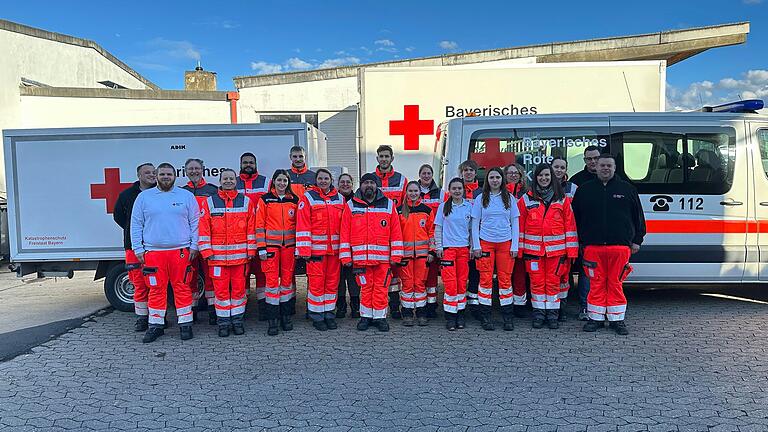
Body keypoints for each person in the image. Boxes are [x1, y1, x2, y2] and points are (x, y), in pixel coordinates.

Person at [572, 154, 646, 335]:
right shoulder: (584, 190)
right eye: (602, 165)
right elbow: (575, 219)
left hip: (620, 247)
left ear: (614, 168)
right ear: (595, 167)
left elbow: (638, 217)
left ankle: (617, 320)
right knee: (596, 284)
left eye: (609, 166)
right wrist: (579, 241)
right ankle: (595, 319)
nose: (605, 168)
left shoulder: (627, 189)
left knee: (615, 283)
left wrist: (637, 240)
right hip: (592, 247)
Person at [130, 163, 199, 343]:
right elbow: (136, 224)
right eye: (162, 174)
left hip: (181, 251)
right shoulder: (144, 197)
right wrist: (138, 248)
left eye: (169, 174)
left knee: (182, 287)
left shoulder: (186, 196)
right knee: (156, 289)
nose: (166, 177)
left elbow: (196, 223)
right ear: (157, 176)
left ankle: (185, 325)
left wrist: (194, 246)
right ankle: (155, 326)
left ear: (175, 176)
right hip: (154, 252)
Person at [339, 173, 404, 332]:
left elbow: (396, 232)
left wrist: (396, 255)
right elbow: (344, 232)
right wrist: (345, 255)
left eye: (372, 183)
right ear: (360, 185)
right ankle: (366, 317)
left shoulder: (388, 204)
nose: (369, 185)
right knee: (366, 288)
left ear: (377, 185)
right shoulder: (351, 205)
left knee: (381, 288)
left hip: (383, 260)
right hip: (361, 259)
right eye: (366, 183)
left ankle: (380, 318)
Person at [518, 163, 578, 329]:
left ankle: (552, 315)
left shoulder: (562, 199)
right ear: (535, 178)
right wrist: (520, 250)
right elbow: (520, 226)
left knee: (552, 283)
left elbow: (570, 226)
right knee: (536, 284)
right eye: (540, 176)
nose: (543, 178)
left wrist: (571, 252)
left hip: (557, 252)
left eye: (547, 175)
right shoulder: (526, 198)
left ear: (552, 177)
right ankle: (538, 315)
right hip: (533, 252)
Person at [198, 169, 257, 337]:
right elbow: (203, 229)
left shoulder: (246, 202)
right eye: (225, 178)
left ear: (236, 181)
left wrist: (251, 250)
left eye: (231, 178)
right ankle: (223, 323)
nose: (229, 181)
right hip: (217, 259)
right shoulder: (210, 202)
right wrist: (206, 251)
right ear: (220, 181)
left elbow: (251, 229)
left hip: (240, 259)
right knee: (221, 293)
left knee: (239, 292)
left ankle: (237, 321)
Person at [471, 167, 520, 331]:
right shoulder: (480, 198)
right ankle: (486, 317)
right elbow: (474, 223)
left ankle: (507, 317)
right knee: (485, 281)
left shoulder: (510, 198)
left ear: (502, 179)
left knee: (505, 281)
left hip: (506, 243)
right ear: (487, 180)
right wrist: (476, 245)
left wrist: (515, 245)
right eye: (491, 177)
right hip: (486, 243)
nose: (494, 180)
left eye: (497, 177)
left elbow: (515, 223)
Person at [296, 169, 345, 331]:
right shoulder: (308, 198)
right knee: (316, 285)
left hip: (335, 251)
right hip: (316, 252)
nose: (323, 181)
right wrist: (304, 251)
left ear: (331, 180)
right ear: (316, 180)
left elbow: (345, 227)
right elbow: (303, 225)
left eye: (326, 178)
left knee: (332, 284)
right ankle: (317, 315)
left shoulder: (340, 198)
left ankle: (329, 314)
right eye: (320, 178)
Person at [255, 170, 299, 336]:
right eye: (279, 180)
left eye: (285, 181)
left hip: (289, 248)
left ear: (288, 183)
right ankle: (272, 320)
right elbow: (259, 225)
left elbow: (299, 225)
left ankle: (286, 317)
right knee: (272, 284)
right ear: (274, 181)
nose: (282, 183)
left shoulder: (294, 200)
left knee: (287, 283)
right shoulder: (265, 200)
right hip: (270, 249)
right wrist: (261, 248)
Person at [113, 163, 156, 332]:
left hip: (154, 247)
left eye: (154, 172)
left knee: (155, 285)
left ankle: (157, 318)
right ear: (139, 175)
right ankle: (142, 318)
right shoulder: (126, 195)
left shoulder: (159, 194)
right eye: (147, 173)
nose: (152, 175)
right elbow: (119, 216)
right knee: (139, 284)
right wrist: (132, 230)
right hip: (133, 247)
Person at [372, 145, 408, 319]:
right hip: (375, 235)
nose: (384, 159)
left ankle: (394, 306)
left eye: (387, 156)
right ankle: (375, 307)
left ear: (392, 158)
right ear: (377, 158)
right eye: (381, 156)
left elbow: (406, 206)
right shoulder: (370, 180)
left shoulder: (402, 180)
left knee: (395, 272)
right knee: (377, 272)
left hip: (395, 232)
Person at [181, 158, 219, 325]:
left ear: (203, 169)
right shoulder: (181, 192)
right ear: (185, 171)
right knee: (190, 277)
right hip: (187, 242)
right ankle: (192, 311)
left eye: (197, 168)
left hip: (208, 241)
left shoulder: (212, 190)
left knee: (211, 277)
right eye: (190, 169)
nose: (194, 171)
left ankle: (213, 312)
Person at [434, 177, 472, 331]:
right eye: (454, 188)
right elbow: (438, 229)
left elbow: (471, 230)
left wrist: (472, 247)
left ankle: (460, 314)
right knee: (450, 284)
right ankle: (450, 316)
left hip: (463, 249)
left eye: (459, 188)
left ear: (464, 190)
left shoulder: (469, 207)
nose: (457, 191)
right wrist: (439, 246)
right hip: (448, 250)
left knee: (462, 282)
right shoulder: (443, 207)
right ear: (449, 190)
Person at [567, 146, 600, 320]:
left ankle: (602, 306)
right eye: (589, 159)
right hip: (583, 235)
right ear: (585, 160)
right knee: (586, 273)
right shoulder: (577, 181)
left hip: (604, 235)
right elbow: (573, 212)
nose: (593, 162)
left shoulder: (612, 179)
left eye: (596, 158)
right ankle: (585, 307)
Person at [236, 152, 270, 319]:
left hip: (261, 236)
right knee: (242, 275)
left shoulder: (265, 182)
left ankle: (263, 307)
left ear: (256, 164)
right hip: (240, 238)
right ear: (240, 164)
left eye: (251, 162)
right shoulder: (232, 182)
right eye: (245, 162)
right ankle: (242, 308)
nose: (248, 165)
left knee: (262, 273)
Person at [398, 181, 435, 326]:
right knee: (407, 285)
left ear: (420, 192)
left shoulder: (426, 210)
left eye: (416, 191)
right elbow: (395, 234)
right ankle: (407, 313)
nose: (413, 194)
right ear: (406, 192)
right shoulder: (399, 210)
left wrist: (431, 251)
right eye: (410, 191)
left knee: (420, 284)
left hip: (422, 256)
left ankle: (421, 313)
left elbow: (432, 232)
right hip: (405, 256)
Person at [417, 164, 446, 318]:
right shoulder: (414, 191)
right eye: (423, 173)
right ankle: (421, 304)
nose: (426, 176)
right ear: (419, 175)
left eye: (429, 173)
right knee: (422, 276)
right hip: (418, 240)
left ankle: (432, 305)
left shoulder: (441, 194)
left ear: (433, 175)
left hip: (434, 236)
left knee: (433, 275)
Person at [551, 156, 577, 321]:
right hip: (550, 241)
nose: (559, 170)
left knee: (564, 277)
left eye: (562, 167)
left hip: (566, 237)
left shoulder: (572, 188)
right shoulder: (542, 187)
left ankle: (562, 308)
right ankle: (551, 308)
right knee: (550, 277)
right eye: (556, 167)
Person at [504, 163, 530, 317]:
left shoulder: (527, 193)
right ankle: (506, 303)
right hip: (504, 236)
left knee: (520, 272)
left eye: (516, 173)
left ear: (521, 176)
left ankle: (519, 304)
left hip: (522, 236)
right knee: (506, 273)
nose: (513, 175)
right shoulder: (500, 192)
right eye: (510, 173)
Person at [458, 159, 482, 319]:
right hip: (459, 238)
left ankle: (474, 303)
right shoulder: (455, 190)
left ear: (475, 173)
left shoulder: (481, 193)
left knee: (475, 272)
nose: (468, 173)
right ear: (461, 173)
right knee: (460, 273)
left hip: (477, 238)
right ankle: (459, 304)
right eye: (465, 170)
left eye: (471, 170)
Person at [335, 173, 360, 318]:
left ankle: (355, 305)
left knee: (353, 278)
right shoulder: (334, 199)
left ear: (352, 183)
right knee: (338, 278)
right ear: (338, 184)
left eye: (348, 182)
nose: (345, 184)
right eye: (342, 182)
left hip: (353, 244)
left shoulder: (358, 201)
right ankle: (341, 306)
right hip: (336, 244)